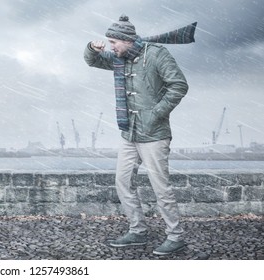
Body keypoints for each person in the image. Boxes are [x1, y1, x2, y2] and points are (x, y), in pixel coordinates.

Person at [84, 14, 194, 255]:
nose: (111, 47)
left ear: (125, 40)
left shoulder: (156, 54)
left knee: (160, 188)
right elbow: (92, 61)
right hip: (129, 133)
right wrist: (92, 48)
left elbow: (179, 85)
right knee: (123, 182)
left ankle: (175, 237)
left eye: (113, 42)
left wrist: (155, 113)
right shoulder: (119, 58)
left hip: (154, 134)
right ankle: (137, 231)